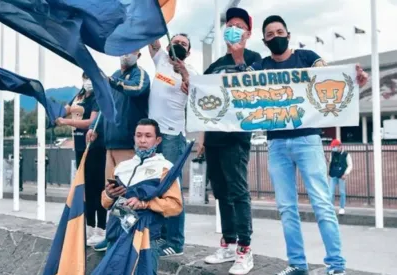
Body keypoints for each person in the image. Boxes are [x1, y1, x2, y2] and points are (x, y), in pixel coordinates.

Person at [246, 15, 368, 275]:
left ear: (288, 35)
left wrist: (353, 78)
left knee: (322, 203)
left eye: (280, 31)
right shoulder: (259, 67)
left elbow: (331, 75)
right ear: (264, 40)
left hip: (307, 139)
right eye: (269, 34)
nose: (275, 37)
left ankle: (336, 265)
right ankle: (297, 264)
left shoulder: (308, 58)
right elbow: (233, 89)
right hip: (276, 143)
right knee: (287, 208)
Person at [198, 7, 261, 275]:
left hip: (236, 137)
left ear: (248, 31)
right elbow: (202, 101)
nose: (232, 28)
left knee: (237, 192)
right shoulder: (214, 64)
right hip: (213, 138)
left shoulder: (256, 59)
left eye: (238, 24)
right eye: (229, 24)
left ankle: (245, 250)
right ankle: (229, 242)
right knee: (221, 193)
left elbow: (256, 91)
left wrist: (239, 60)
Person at [100, 118, 182, 274]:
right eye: (139, 135)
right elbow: (105, 202)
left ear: (158, 140)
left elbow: (175, 206)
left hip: (145, 237)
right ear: (134, 138)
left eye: (148, 136)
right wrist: (109, 195)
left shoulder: (165, 168)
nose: (142, 140)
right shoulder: (122, 167)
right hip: (116, 234)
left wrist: (146, 204)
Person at [87, 50, 150, 251]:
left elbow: (137, 90)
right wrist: (93, 128)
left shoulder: (140, 74)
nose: (126, 54)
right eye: (123, 50)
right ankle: (112, 235)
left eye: (131, 50)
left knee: (126, 193)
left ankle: (127, 236)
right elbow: (106, 105)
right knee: (111, 193)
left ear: (139, 54)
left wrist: (113, 82)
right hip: (110, 145)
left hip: (127, 144)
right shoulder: (114, 75)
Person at [147, 33, 197, 257]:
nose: (179, 45)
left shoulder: (192, 72)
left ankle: (175, 241)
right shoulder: (161, 61)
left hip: (172, 137)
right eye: (175, 42)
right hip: (154, 136)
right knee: (154, 187)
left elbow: (196, 94)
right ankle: (159, 236)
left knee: (172, 188)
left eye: (183, 44)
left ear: (189, 51)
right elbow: (152, 41)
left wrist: (184, 73)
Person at [57, 72, 107, 247]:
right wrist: (56, 112)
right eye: (86, 77)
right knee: (85, 189)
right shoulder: (79, 94)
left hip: (95, 146)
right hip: (79, 146)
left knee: (96, 187)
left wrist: (66, 121)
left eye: (90, 78)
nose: (88, 82)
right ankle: (88, 225)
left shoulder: (98, 97)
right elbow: (66, 108)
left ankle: (100, 228)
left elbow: (91, 122)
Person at [328, 139, 352, 215]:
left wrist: (346, 174)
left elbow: (350, 165)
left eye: (334, 147)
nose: (333, 148)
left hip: (342, 175)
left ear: (339, 146)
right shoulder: (332, 153)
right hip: (333, 175)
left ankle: (342, 208)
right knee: (331, 192)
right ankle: (330, 208)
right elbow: (331, 163)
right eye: (332, 147)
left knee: (342, 192)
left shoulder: (346, 154)